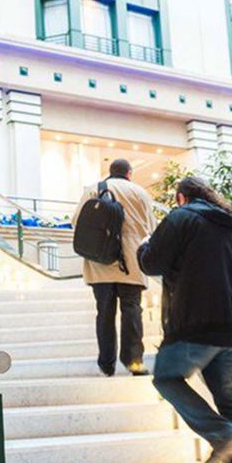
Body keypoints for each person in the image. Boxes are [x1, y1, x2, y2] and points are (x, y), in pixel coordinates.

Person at [137, 176, 232, 463]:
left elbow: (151, 262)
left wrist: (143, 245)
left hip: (197, 323)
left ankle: (221, 435)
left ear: (180, 197)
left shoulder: (182, 217)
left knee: (166, 378)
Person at [72, 158, 157, 377]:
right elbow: (151, 228)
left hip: (100, 261)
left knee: (105, 312)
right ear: (129, 173)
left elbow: (76, 221)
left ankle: (106, 364)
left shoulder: (93, 190)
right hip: (132, 261)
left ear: (110, 172)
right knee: (132, 310)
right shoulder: (140, 193)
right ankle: (134, 362)